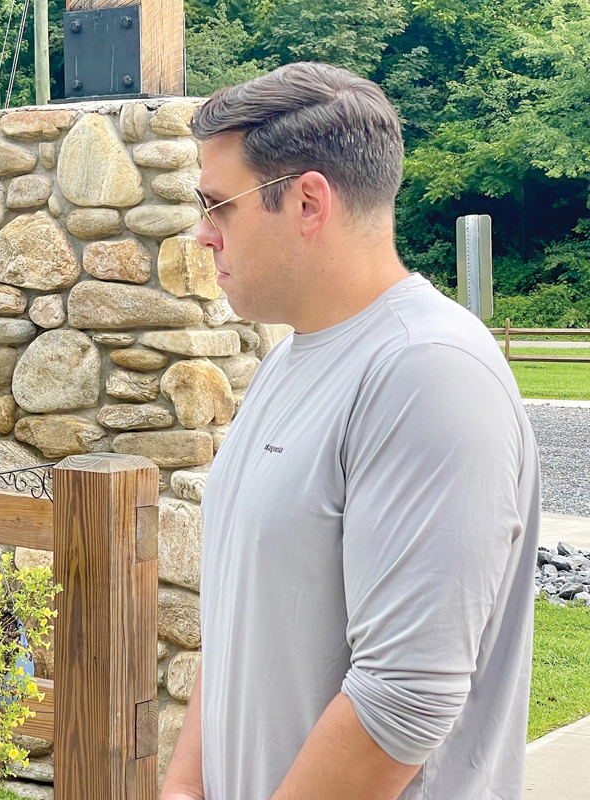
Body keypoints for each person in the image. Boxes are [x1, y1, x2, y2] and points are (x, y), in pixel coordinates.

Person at [160, 63, 540, 800]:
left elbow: (401, 702)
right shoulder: (288, 360)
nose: (202, 236)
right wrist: (184, 784)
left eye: (217, 207)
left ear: (307, 201)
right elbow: (241, 616)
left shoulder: (428, 374)